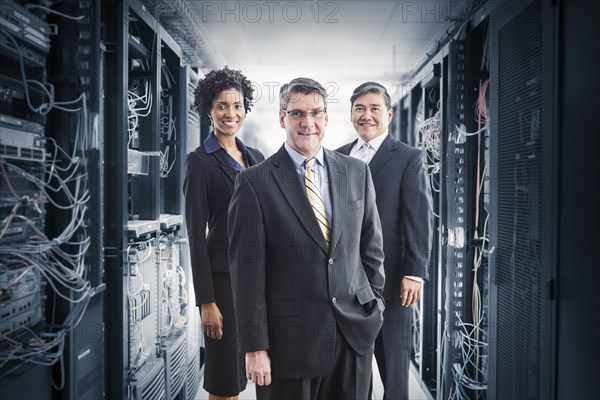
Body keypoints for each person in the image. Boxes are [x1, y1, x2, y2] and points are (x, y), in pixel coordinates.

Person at [227, 77, 385, 399]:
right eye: (297, 113)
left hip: (352, 337)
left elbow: (372, 251)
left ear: (327, 117)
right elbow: (247, 276)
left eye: (316, 112)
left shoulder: (356, 172)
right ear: (282, 118)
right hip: (290, 347)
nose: (307, 122)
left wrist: (374, 307)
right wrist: (255, 348)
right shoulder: (254, 183)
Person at [336, 82, 433, 400]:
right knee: (351, 373)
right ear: (351, 114)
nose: (367, 115)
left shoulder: (408, 158)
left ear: (388, 114)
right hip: (346, 285)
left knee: (394, 373)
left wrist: (415, 272)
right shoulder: (335, 159)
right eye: (359, 108)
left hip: (394, 286)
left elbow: (418, 219)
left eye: (374, 108)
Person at [183, 66, 265, 400]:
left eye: (237, 106)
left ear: (245, 109)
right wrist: (206, 301)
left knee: (260, 370)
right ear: (208, 110)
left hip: (259, 279)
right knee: (225, 380)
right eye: (221, 106)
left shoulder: (256, 158)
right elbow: (194, 234)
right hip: (223, 285)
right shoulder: (199, 162)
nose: (230, 114)